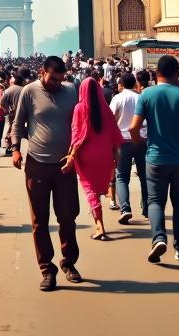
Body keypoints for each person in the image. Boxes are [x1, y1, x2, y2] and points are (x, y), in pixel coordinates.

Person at [130, 55, 179, 263]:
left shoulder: (146, 95)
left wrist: (141, 142)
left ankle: (158, 238)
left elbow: (133, 127)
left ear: (156, 74)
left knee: (155, 201)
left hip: (155, 158)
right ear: (177, 74)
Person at [11, 55, 82, 291]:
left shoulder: (72, 90)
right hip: (37, 163)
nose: (56, 84)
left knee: (67, 217)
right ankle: (47, 269)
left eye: (60, 79)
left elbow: (82, 123)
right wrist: (15, 149)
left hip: (65, 165)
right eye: (53, 79)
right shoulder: (29, 91)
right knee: (40, 221)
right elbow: (18, 122)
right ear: (42, 72)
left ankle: (69, 262)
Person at [68, 74, 123, 240]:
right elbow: (115, 135)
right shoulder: (106, 110)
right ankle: (97, 213)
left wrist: (71, 154)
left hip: (86, 156)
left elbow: (77, 134)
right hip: (105, 156)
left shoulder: (79, 108)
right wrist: (116, 157)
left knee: (89, 188)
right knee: (97, 187)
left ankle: (100, 226)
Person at [110, 72, 147, 225]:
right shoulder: (141, 98)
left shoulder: (118, 98)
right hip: (141, 140)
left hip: (123, 141)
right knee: (145, 176)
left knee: (121, 177)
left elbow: (111, 119)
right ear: (134, 84)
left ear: (121, 85)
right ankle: (147, 208)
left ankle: (125, 208)